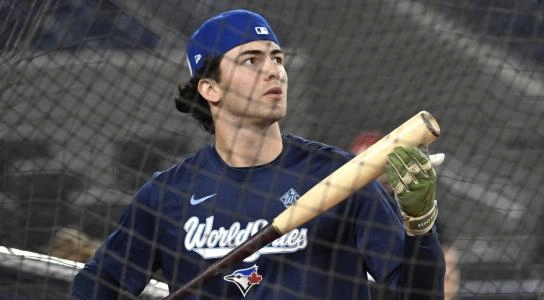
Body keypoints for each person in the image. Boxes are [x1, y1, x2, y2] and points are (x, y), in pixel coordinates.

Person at [72, 9, 445, 299]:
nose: (274, 72)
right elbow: (97, 282)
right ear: (210, 89)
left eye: (277, 59)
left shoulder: (340, 175)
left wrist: (420, 227)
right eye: (251, 60)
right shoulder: (168, 195)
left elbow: (417, 294)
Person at [351, 131, 459, 300]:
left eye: (373, 165)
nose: (369, 174)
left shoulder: (414, 208)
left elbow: (447, 273)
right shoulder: (346, 212)